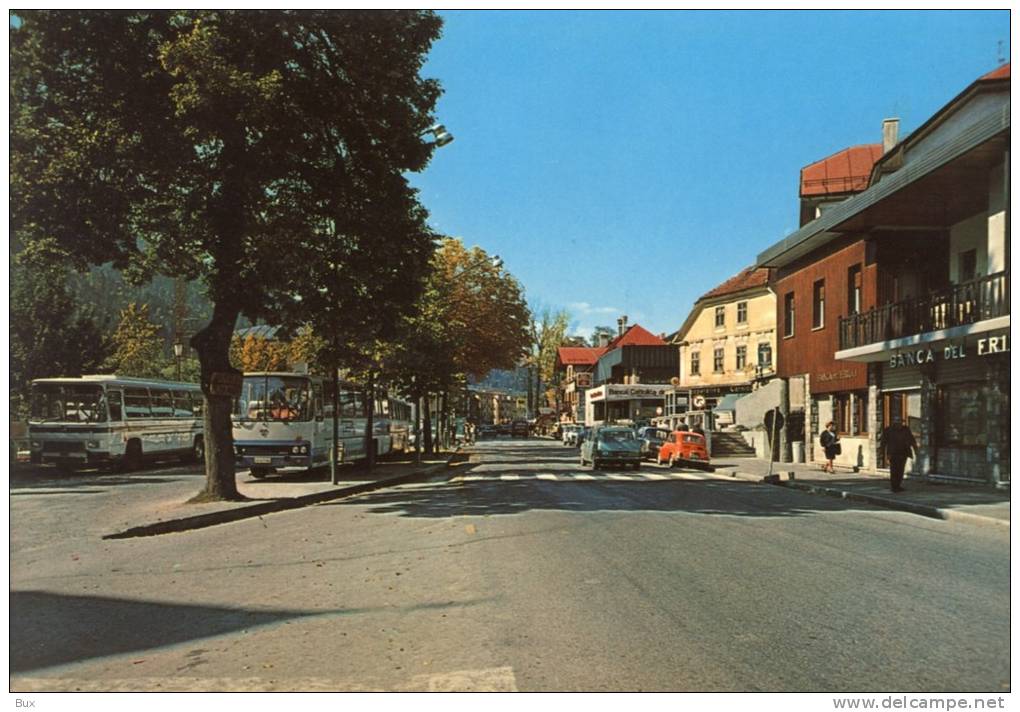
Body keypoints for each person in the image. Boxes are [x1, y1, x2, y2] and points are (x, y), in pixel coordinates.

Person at [882, 417, 918, 493]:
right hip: (893, 453)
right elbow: (884, 442)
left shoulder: (906, 429)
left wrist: (915, 448)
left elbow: (911, 439)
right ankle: (894, 486)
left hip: (903, 452)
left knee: (901, 470)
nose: (899, 423)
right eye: (897, 422)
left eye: (901, 422)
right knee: (894, 470)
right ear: (894, 422)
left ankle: (898, 485)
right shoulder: (889, 430)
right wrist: (885, 453)